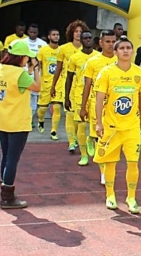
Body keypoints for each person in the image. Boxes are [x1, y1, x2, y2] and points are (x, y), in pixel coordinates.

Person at [94, 36, 141, 213]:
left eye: (128, 48)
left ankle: (131, 197)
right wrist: (99, 123)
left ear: (132, 51)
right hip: (111, 127)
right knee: (110, 162)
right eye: (122, 48)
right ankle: (110, 195)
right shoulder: (107, 72)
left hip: (131, 127)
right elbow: (99, 98)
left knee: (133, 163)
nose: (125, 51)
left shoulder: (140, 73)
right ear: (115, 52)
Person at [0, 41, 41, 209]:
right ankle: (8, 197)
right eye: (27, 57)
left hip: (0, 119)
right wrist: (37, 70)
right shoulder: (20, 74)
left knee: (5, 155)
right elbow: (37, 87)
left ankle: (4, 189)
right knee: (12, 159)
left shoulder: (0, 68)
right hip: (17, 122)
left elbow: (20, 82)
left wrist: (30, 70)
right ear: (22, 57)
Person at [80, 30, 118, 184]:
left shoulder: (121, 60)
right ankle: (103, 172)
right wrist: (83, 107)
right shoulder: (92, 62)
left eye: (113, 41)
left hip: (116, 108)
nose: (110, 44)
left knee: (112, 140)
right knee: (101, 139)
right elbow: (87, 86)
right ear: (101, 43)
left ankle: (91, 139)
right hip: (97, 106)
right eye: (107, 41)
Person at [51, 19, 88, 152]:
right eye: (76, 31)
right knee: (69, 114)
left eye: (81, 31)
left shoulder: (88, 51)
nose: (78, 34)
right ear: (71, 33)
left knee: (79, 118)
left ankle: (77, 137)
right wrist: (53, 85)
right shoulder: (63, 49)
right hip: (67, 85)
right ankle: (71, 142)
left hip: (82, 88)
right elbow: (58, 68)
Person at [65, 31, 99, 166]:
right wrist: (67, 97)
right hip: (79, 94)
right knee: (81, 124)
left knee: (96, 124)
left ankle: (92, 141)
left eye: (90, 38)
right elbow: (69, 78)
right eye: (85, 38)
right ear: (81, 40)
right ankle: (84, 155)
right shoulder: (74, 58)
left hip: (96, 94)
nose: (88, 40)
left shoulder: (98, 57)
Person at [35, 28, 64, 142]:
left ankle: (54, 130)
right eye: (54, 34)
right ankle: (41, 120)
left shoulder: (62, 51)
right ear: (49, 37)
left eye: (57, 34)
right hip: (46, 83)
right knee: (42, 108)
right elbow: (38, 66)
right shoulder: (43, 50)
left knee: (57, 107)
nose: (56, 36)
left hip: (59, 83)